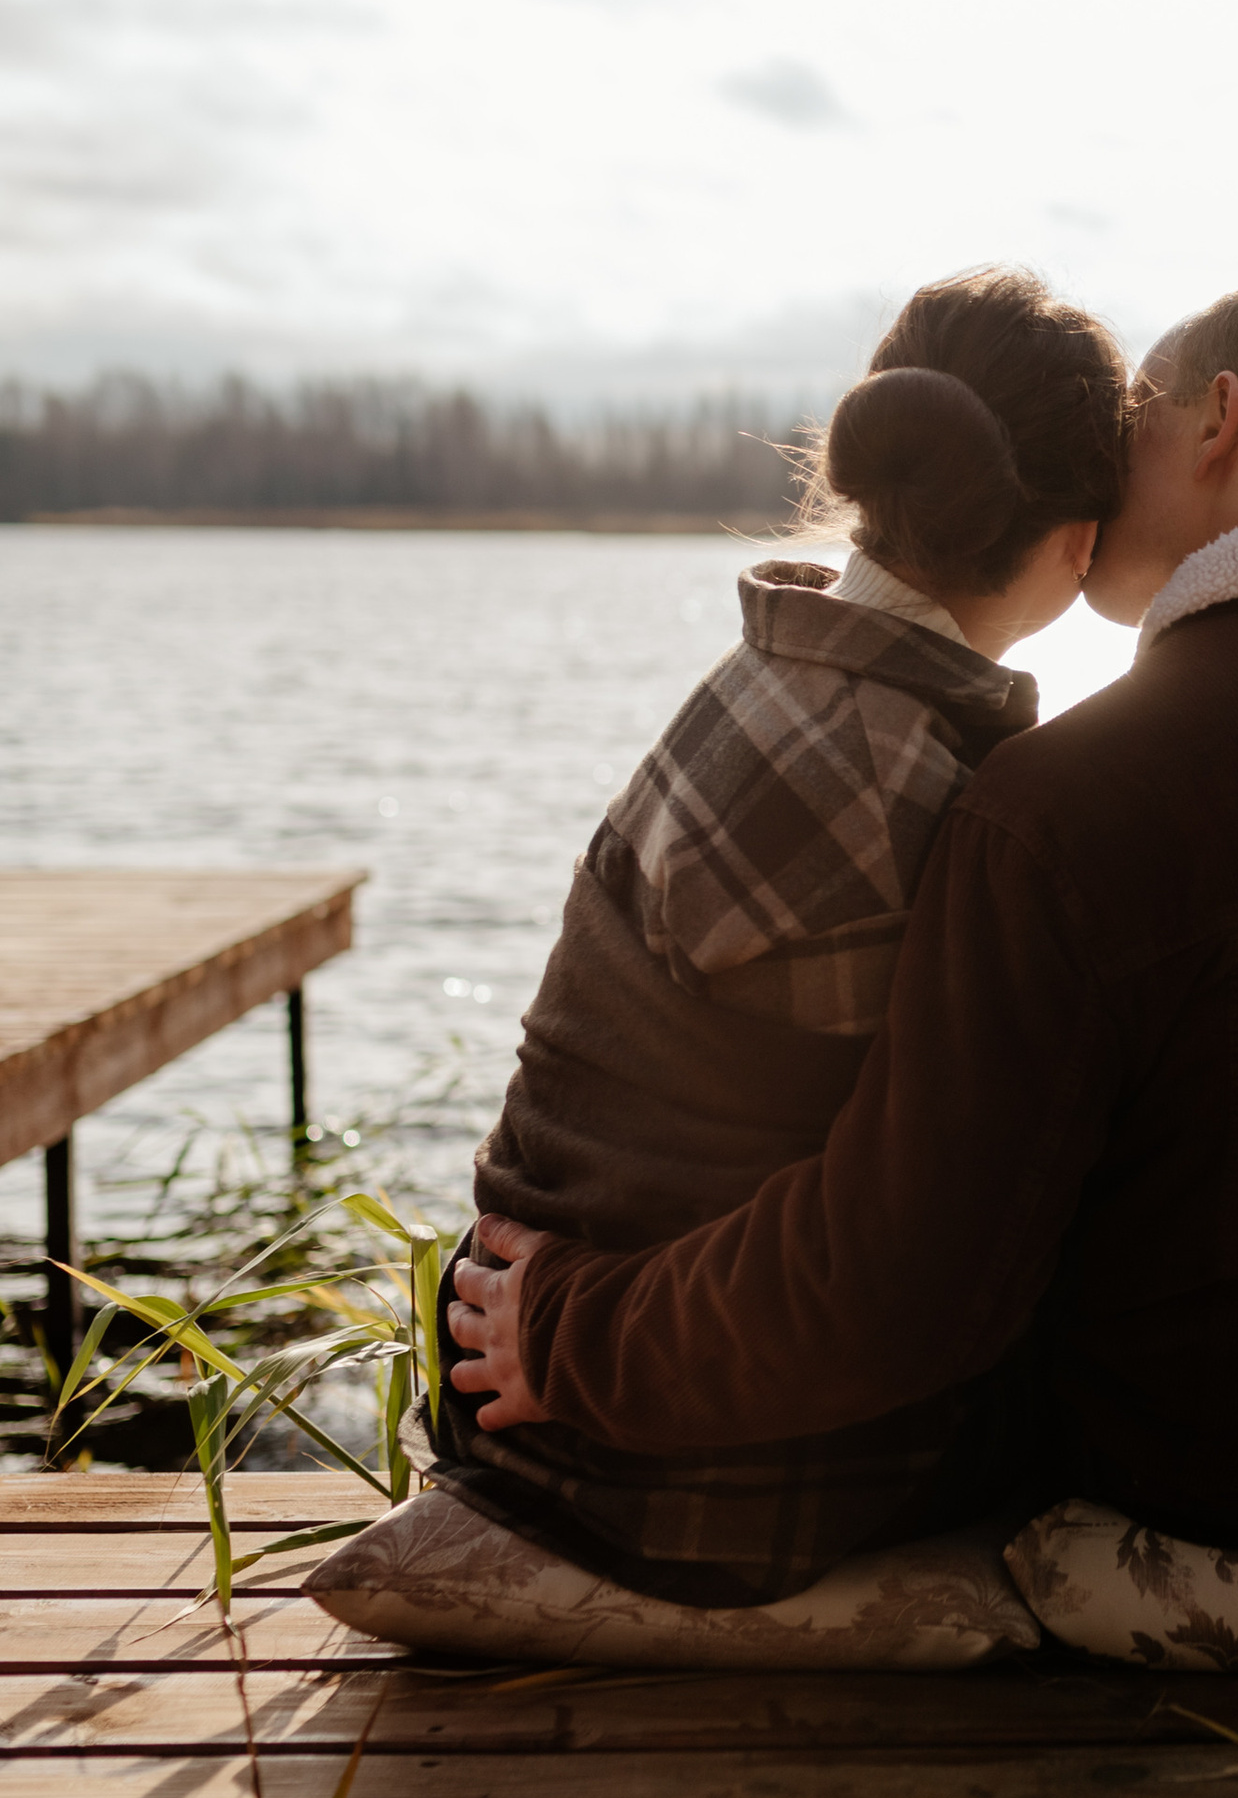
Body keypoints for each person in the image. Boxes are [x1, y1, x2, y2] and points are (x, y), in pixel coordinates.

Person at [451, 275, 1238, 1549]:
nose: (1108, 464)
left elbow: (904, 1280)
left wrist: (574, 1329)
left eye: (1137, 415)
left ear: (1219, 421)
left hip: (1237, 1497)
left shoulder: (1064, 803)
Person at [424, 265, 1126, 1599]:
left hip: (519, 1409)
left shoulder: (761, 679)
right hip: (697, 1480)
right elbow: (913, 1254)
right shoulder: (929, 791)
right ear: (1078, 542)